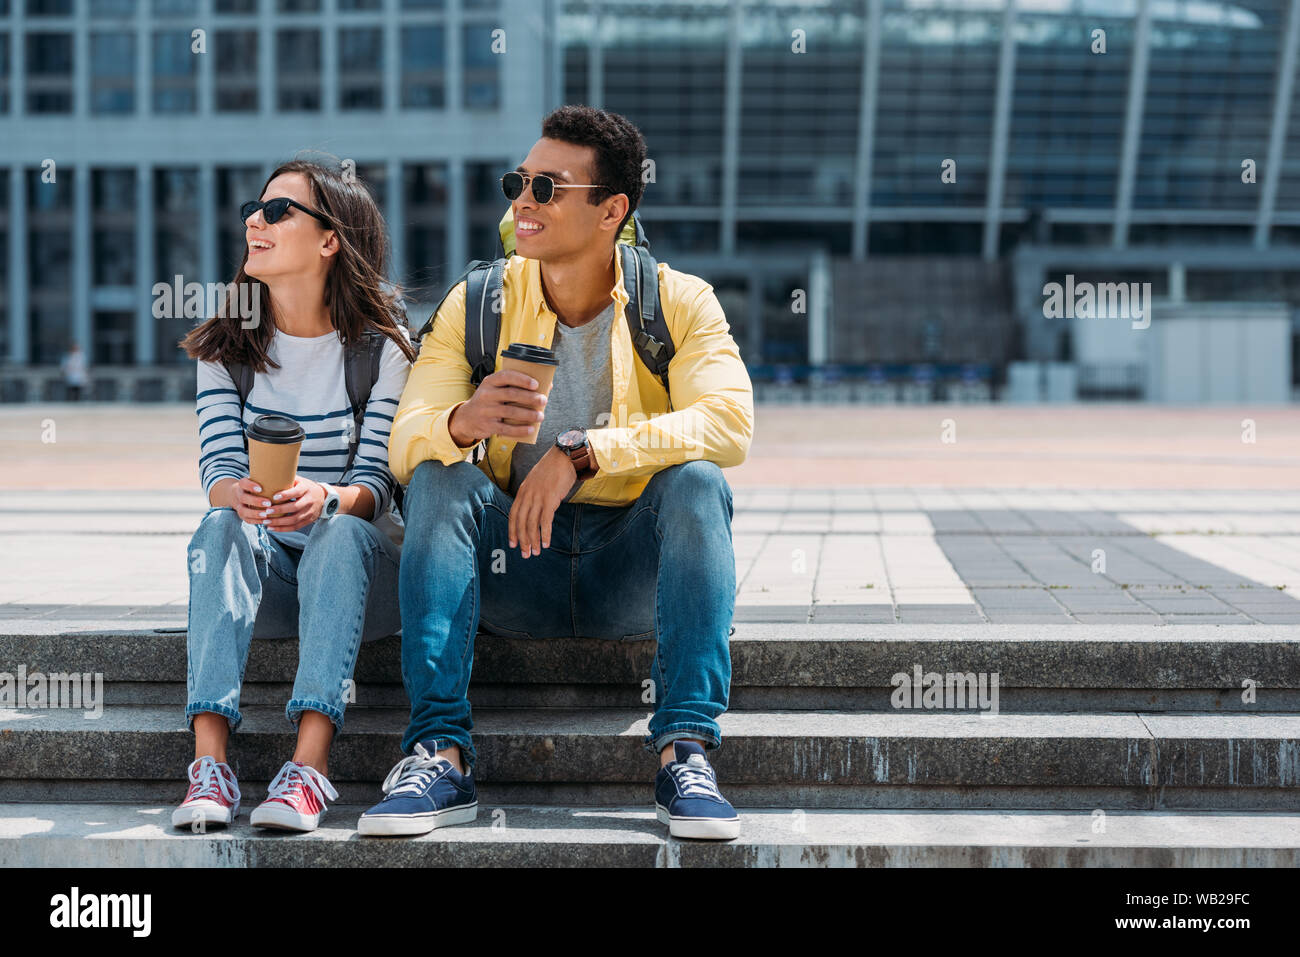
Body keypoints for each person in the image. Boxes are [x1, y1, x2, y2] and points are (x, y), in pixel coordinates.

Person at [360, 106, 754, 841]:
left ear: (612, 210)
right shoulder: (478, 302)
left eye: (547, 187)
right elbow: (403, 440)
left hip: (629, 569)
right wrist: (462, 423)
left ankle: (685, 752)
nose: (522, 202)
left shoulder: (678, 300)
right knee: (441, 477)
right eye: (519, 182)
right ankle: (438, 752)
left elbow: (729, 423)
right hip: (518, 565)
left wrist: (582, 453)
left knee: (699, 483)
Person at [174, 159, 415, 833]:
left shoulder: (382, 347)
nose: (255, 219)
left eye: (279, 211)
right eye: (255, 208)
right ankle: (211, 764)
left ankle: (309, 765)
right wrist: (242, 496)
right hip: (275, 579)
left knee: (339, 528)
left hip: (364, 580)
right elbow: (218, 466)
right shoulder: (225, 345)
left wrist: (326, 497)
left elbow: (376, 485)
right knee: (219, 524)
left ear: (329, 239)